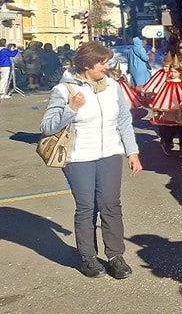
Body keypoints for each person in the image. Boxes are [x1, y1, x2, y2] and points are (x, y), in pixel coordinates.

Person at [40, 41, 142, 279]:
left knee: (111, 205)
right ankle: (88, 257)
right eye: (102, 63)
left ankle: (116, 256)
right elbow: (46, 127)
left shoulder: (113, 86)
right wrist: (71, 110)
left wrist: (132, 152)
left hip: (110, 154)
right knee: (87, 207)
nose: (106, 67)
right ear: (86, 65)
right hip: (78, 157)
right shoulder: (64, 90)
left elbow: (124, 121)